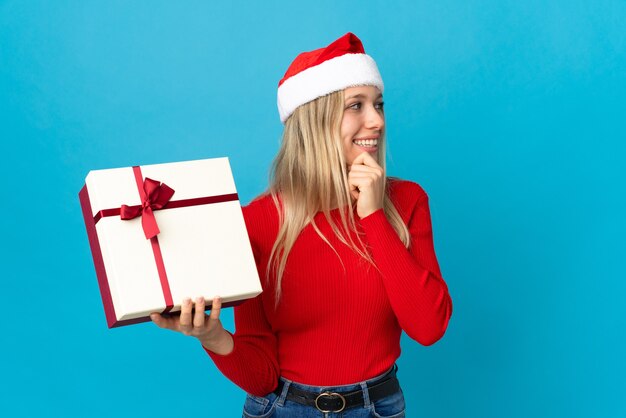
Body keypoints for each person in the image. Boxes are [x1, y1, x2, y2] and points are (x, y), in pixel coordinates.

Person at [151, 32, 453, 417]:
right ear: (314, 121)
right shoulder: (258, 221)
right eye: (355, 106)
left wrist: (374, 216)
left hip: (376, 407)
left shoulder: (407, 201)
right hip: (281, 408)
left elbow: (428, 327)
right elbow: (261, 377)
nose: (376, 121)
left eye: (378, 104)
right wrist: (213, 337)